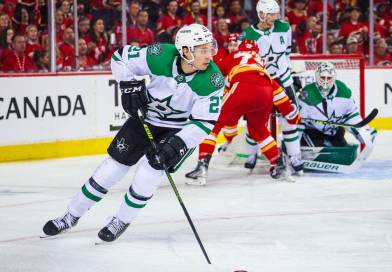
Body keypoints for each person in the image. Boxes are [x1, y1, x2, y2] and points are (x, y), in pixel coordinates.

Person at [42, 23, 224, 242]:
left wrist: (178, 144)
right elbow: (121, 58)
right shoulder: (160, 56)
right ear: (185, 51)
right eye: (202, 50)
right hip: (145, 118)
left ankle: (121, 219)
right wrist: (128, 84)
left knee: (149, 172)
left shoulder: (213, 79)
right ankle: (70, 216)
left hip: (179, 130)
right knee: (111, 169)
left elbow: (204, 122)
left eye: (210, 48)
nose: (209, 55)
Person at [185, 40, 300, 185]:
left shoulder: (234, 55)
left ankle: (202, 166)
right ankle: (279, 166)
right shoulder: (259, 61)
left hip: (242, 86)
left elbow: (216, 75)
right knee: (258, 130)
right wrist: (290, 112)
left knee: (212, 123)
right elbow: (276, 89)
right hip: (266, 91)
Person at [241, 0, 303, 174]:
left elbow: (287, 52)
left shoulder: (284, 28)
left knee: (289, 121)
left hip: (283, 81)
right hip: (261, 84)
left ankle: (294, 156)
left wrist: (290, 74)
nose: (275, 17)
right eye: (271, 14)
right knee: (255, 123)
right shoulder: (248, 35)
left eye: (276, 14)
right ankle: (252, 155)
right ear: (261, 14)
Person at [298, 62, 376, 170]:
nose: (325, 81)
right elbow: (298, 123)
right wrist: (293, 148)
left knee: (341, 153)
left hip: (335, 132)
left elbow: (351, 115)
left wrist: (363, 132)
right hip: (313, 133)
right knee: (321, 154)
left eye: (329, 78)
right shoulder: (307, 94)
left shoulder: (343, 91)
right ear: (316, 76)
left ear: (334, 77)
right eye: (322, 77)